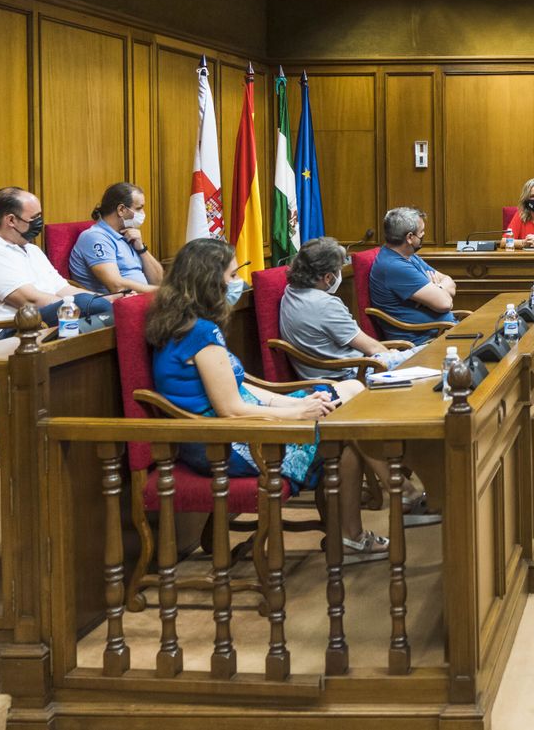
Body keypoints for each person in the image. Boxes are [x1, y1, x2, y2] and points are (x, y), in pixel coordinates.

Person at [146, 237, 389, 562]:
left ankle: (359, 527)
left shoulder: (186, 324)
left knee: (342, 399)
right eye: (232, 276)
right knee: (345, 429)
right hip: (220, 444)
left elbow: (241, 385)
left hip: (219, 432)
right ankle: (369, 519)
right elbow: (231, 410)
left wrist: (296, 402)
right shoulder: (201, 334)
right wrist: (298, 412)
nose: (238, 284)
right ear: (208, 280)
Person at [0, 186, 114, 348]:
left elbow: (62, 289)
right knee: (97, 308)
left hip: (35, 325)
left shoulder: (31, 249)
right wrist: (89, 304)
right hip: (0, 336)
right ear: (11, 220)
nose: (40, 222)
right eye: (34, 217)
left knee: (112, 311)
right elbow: (29, 301)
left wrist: (107, 298)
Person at [280, 236, 412, 380]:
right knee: (427, 355)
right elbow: (372, 349)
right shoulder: (325, 305)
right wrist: (391, 355)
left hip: (336, 370)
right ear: (328, 278)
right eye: (339, 270)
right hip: (354, 374)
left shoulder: (290, 291)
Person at [369, 207, 458, 344]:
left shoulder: (408, 256)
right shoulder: (394, 266)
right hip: (422, 341)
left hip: (440, 333)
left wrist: (438, 287)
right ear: (410, 237)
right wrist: (441, 292)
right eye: (421, 231)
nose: (423, 235)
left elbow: (449, 280)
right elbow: (445, 304)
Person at [70, 181, 162, 294]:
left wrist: (141, 249)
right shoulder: (95, 237)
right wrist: (162, 291)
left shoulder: (127, 234)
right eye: (139, 208)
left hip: (144, 300)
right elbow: (116, 285)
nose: (143, 213)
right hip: (115, 306)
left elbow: (158, 281)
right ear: (121, 210)